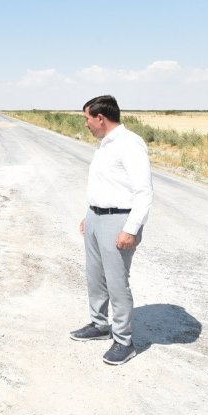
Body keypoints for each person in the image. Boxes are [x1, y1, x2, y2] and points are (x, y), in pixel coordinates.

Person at [70, 95, 153, 366]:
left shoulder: (130, 144)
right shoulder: (105, 145)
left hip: (119, 221)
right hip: (96, 218)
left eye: (87, 119)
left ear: (100, 118)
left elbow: (143, 192)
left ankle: (123, 340)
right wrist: (89, 214)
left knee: (117, 282)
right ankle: (99, 324)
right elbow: (106, 185)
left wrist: (130, 229)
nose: (86, 124)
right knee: (95, 277)